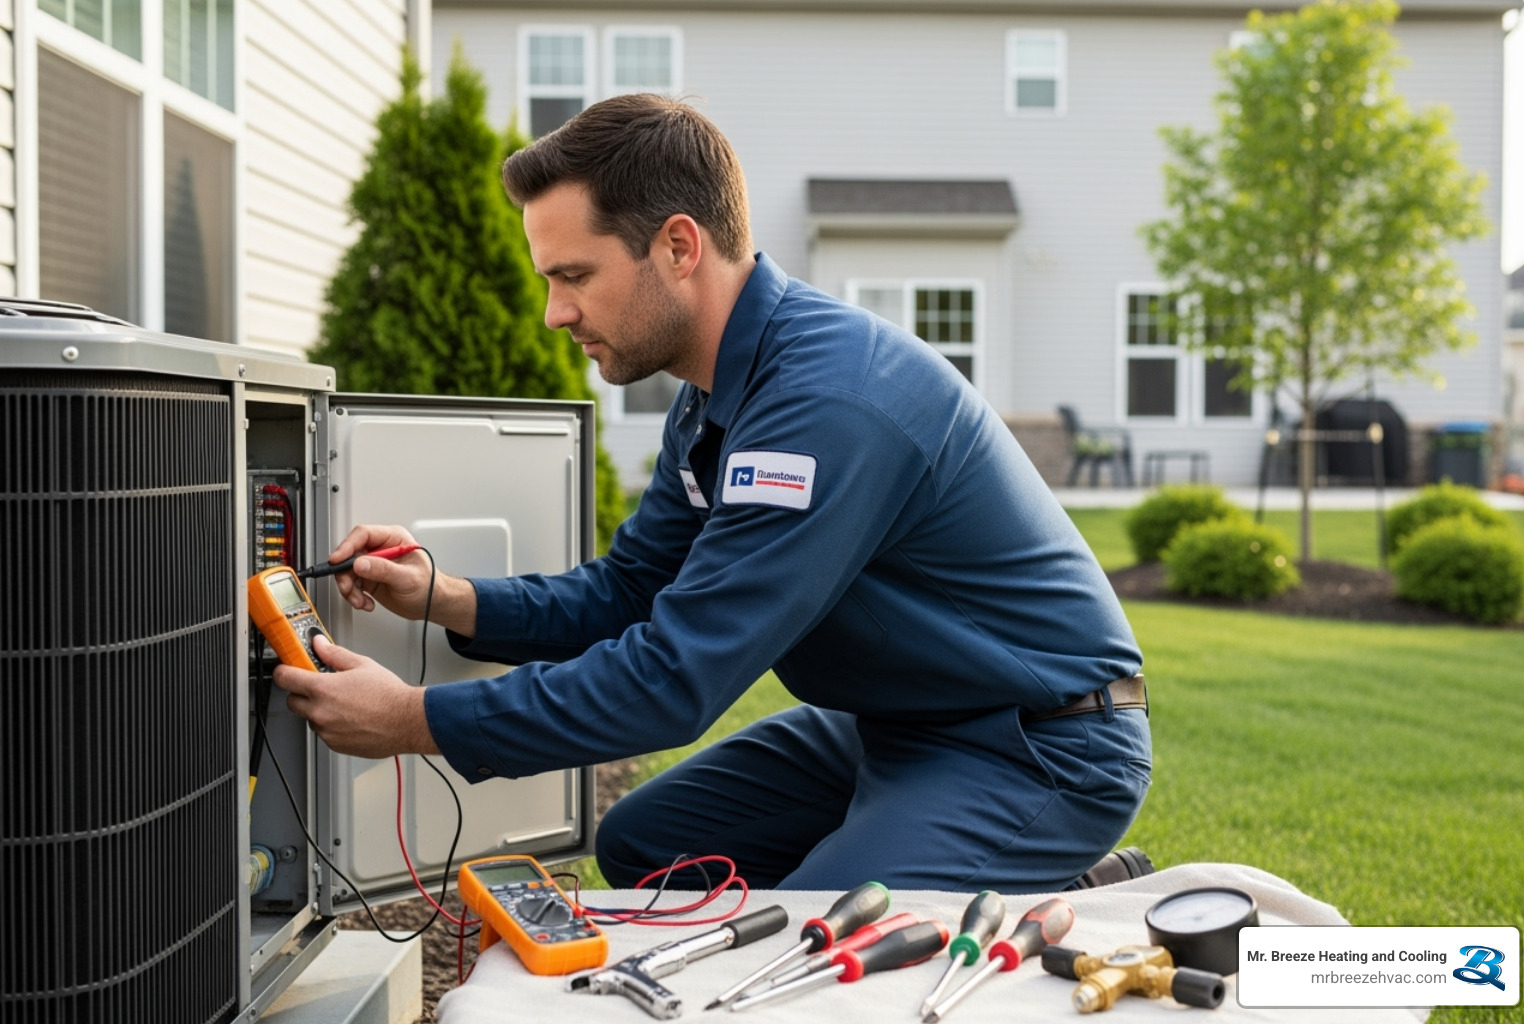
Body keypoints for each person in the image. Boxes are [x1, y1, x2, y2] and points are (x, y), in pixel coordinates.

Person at [274, 93, 1151, 894]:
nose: (554, 312)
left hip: (1038, 745)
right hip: (900, 725)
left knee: (810, 950)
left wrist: (416, 719)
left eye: (573, 275)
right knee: (647, 846)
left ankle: (1030, 884)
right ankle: (990, 879)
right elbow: (629, 592)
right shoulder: (715, 399)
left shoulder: (826, 404)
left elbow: (675, 678)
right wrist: (444, 598)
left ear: (679, 247)